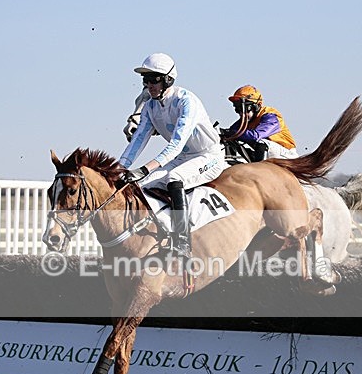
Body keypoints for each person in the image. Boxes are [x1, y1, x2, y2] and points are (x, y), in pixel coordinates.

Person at [119, 53, 226, 259]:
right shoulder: (150, 106)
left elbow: (176, 145)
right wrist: (118, 168)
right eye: (146, 80)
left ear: (168, 80)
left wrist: (144, 168)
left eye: (154, 80)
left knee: (174, 179)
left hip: (208, 155)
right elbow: (138, 140)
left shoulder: (186, 101)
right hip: (183, 158)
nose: (149, 85)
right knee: (141, 186)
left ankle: (182, 241)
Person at [220, 85, 298, 161]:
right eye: (237, 108)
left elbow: (255, 136)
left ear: (258, 106)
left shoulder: (271, 117)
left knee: (261, 143)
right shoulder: (244, 121)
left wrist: (233, 133)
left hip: (287, 155)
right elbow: (231, 132)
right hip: (269, 155)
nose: (240, 112)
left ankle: (257, 170)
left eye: (244, 108)